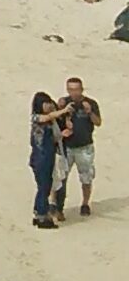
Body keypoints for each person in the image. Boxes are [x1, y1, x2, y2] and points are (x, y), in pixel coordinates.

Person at [56, 76, 102, 218]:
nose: (74, 93)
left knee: (86, 177)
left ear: (82, 89)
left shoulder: (91, 103)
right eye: (71, 89)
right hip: (67, 147)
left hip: (85, 146)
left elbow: (98, 122)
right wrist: (60, 108)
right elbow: (55, 121)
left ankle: (85, 203)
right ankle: (58, 206)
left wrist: (89, 112)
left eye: (76, 89)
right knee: (61, 177)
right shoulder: (64, 103)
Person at [30, 92, 66, 228]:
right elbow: (48, 116)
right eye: (46, 103)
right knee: (43, 187)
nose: (49, 106)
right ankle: (42, 216)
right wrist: (63, 110)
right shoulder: (36, 117)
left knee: (45, 187)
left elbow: (55, 137)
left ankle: (39, 212)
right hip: (40, 158)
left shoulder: (51, 122)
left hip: (48, 157)